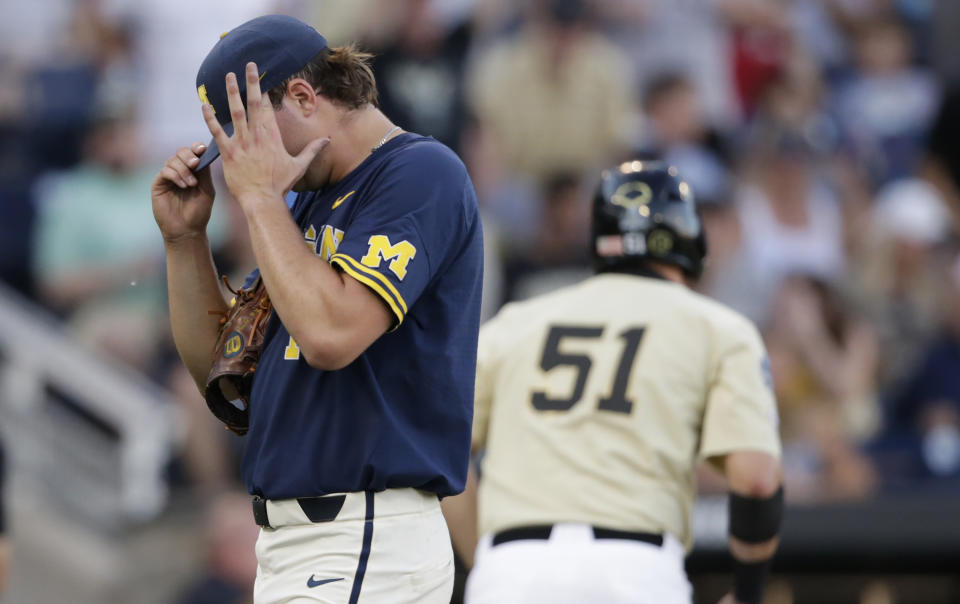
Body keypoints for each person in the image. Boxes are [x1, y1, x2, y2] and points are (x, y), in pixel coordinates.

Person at [150, 14, 483, 604]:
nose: (237, 160)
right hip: (302, 545)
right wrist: (184, 243)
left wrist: (258, 201)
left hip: (362, 532)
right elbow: (226, 376)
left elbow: (332, 334)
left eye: (247, 133)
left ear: (303, 96)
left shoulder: (419, 172)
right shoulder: (303, 205)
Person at [459, 162, 783, 604]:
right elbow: (756, 480)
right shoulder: (719, 328)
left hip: (512, 564)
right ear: (688, 236)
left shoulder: (517, 321)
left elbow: (443, 452)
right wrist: (747, 592)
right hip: (634, 568)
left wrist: (494, 563)